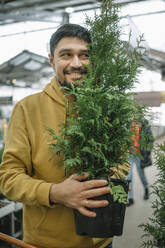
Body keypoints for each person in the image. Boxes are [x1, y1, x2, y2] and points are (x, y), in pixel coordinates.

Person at [0, 24, 129, 248]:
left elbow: (123, 159)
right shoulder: (27, 109)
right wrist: (54, 192)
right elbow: (8, 178)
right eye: (66, 55)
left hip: (101, 241)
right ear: (52, 61)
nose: (76, 63)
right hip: (45, 243)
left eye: (84, 55)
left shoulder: (107, 105)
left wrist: (104, 178)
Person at [127, 118, 154, 206]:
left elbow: (150, 139)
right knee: (128, 176)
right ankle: (130, 198)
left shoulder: (144, 124)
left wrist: (147, 151)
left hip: (140, 155)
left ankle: (146, 188)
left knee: (141, 175)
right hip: (129, 154)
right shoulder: (127, 123)